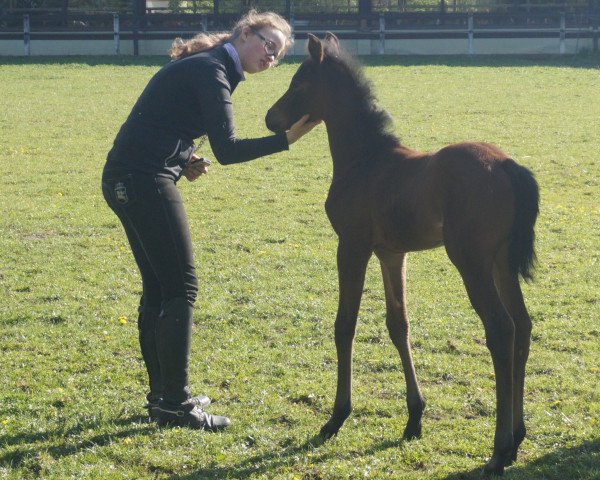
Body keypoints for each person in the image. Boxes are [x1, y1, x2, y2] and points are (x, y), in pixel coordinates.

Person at [101, 10, 319, 431]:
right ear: (244, 33)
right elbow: (229, 149)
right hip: (144, 181)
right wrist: (286, 140)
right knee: (180, 288)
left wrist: (183, 157)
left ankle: (162, 397)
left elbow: (161, 118)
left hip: (126, 178)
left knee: (160, 290)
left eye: (277, 55)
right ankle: (176, 404)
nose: (270, 57)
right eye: (267, 44)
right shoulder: (212, 69)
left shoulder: (208, 65)